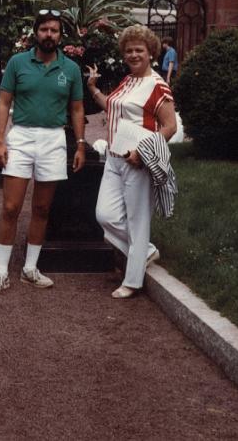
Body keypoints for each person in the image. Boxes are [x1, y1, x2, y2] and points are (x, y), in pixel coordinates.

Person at [0, 9, 86, 295]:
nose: (49, 35)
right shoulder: (17, 63)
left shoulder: (71, 69)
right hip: (22, 137)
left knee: (41, 208)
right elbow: (3, 103)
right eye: (44, 30)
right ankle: (1, 272)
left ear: (60, 36)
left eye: (54, 31)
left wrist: (80, 145)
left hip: (53, 139)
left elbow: (77, 109)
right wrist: (0, 141)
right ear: (35, 33)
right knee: (10, 207)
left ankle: (30, 268)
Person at [87, 25, 177, 299]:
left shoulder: (158, 85)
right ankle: (145, 251)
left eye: (139, 50)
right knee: (105, 215)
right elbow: (113, 107)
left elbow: (169, 126)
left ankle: (133, 280)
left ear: (151, 53)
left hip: (138, 161)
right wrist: (93, 88)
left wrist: (143, 151)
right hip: (114, 158)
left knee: (138, 222)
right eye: (129, 50)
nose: (133, 54)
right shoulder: (128, 81)